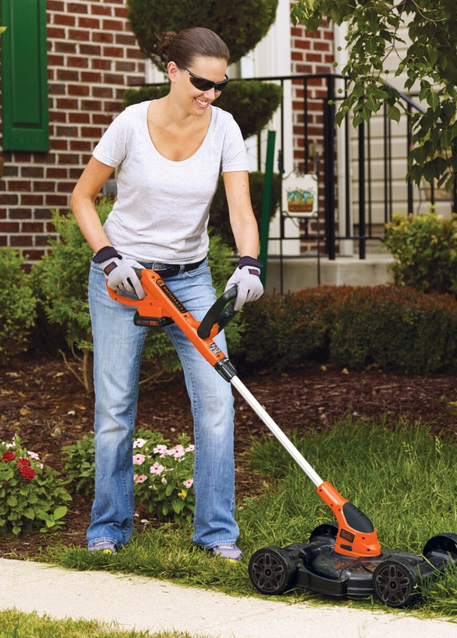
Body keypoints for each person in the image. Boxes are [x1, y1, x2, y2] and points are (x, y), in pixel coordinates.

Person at [70, 27, 263, 562]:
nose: (212, 94)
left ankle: (217, 534)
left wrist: (248, 263)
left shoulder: (224, 127)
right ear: (173, 71)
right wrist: (109, 257)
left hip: (190, 278)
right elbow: (83, 198)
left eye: (220, 85)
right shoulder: (131, 123)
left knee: (218, 398)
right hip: (123, 280)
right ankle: (107, 529)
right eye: (202, 82)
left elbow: (241, 210)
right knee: (115, 405)